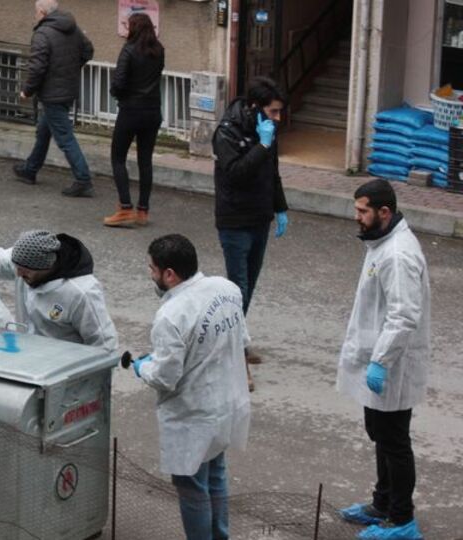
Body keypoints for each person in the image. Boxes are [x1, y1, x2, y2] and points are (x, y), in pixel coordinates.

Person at [129, 234, 250, 540]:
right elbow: (242, 342)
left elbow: (165, 377)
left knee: (193, 488)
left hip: (193, 415)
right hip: (226, 403)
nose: (150, 274)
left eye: (152, 268)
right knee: (216, 475)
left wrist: (142, 367)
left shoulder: (171, 315)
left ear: (169, 274)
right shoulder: (227, 289)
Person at [337, 180, 429, 540]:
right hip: (379, 360)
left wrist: (381, 361)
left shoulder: (398, 254)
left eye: (362, 211)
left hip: (392, 365)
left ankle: (402, 520)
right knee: (380, 434)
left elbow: (404, 315)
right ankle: (382, 503)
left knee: (394, 441)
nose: (356, 217)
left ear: (384, 213)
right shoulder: (382, 243)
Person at [212, 75, 290, 387]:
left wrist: (280, 207)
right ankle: (233, 358)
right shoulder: (228, 132)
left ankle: (238, 343)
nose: (278, 118)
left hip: (260, 218)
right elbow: (236, 175)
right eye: (273, 111)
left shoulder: (266, 131)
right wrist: (262, 144)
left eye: (279, 111)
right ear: (256, 108)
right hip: (234, 221)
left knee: (249, 287)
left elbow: (272, 172)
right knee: (237, 290)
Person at [0, 230, 118, 352]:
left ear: (47, 266)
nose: (18, 274)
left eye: (25, 270)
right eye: (16, 267)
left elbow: (103, 343)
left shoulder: (82, 292)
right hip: (29, 355)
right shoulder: (25, 261)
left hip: (64, 367)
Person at [13, 0, 95, 198]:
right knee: (44, 130)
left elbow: (37, 67)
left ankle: (83, 179)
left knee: (65, 138)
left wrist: (27, 90)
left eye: (35, 12)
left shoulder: (42, 33)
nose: (35, 15)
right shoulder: (72, 28)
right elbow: (88, 51)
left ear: (42, 12)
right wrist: (71, 68)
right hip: (67, 90)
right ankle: (30, 169)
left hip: (52, 94)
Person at [103, 11, 163, 228]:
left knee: (118, 157)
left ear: (134, 28)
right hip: (153, 111)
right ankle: (143, 211)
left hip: (131, 110)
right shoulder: (159, 50)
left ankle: (125, 208)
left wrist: (118, 94)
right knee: (145, 160)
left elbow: (119, 83)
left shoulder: (128, 50)